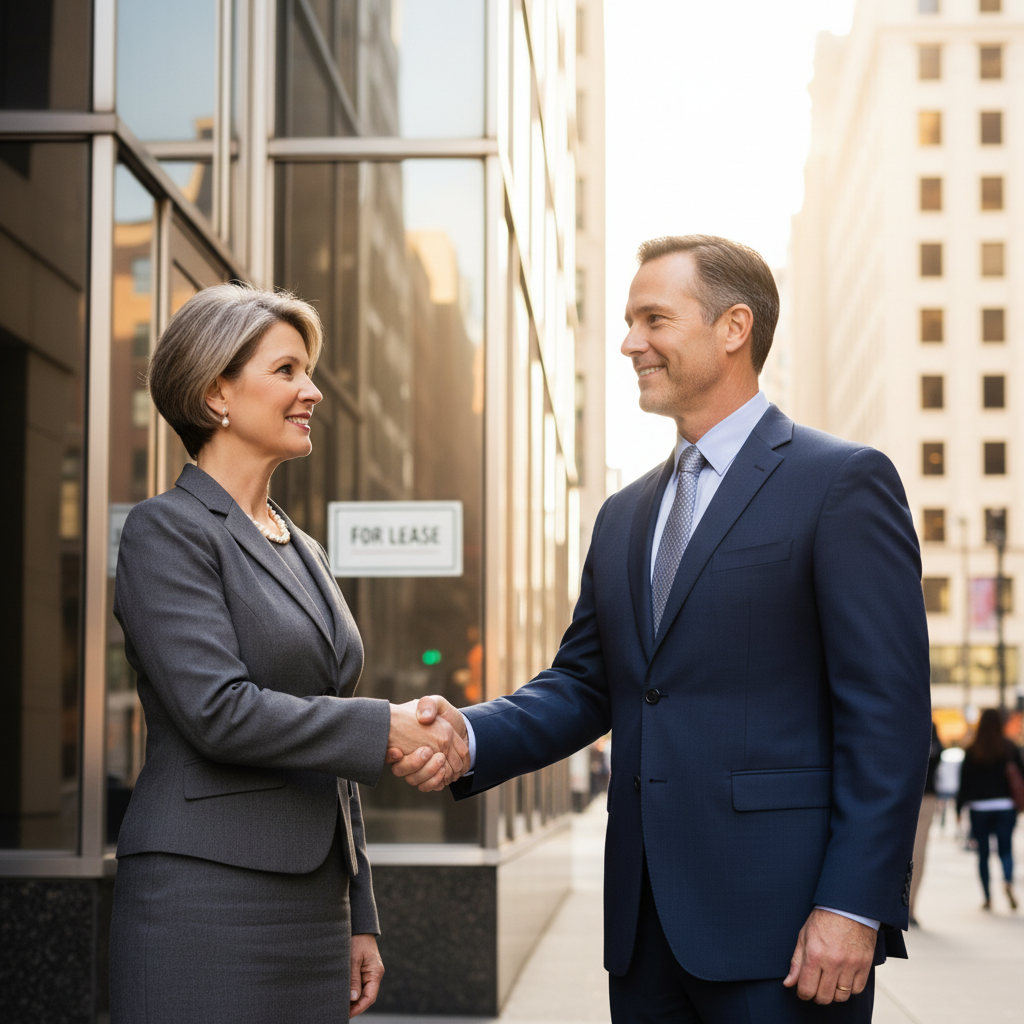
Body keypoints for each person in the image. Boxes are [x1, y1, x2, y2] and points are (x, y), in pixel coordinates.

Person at [393, 236, 932, 1023]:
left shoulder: (841, 482)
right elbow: (585, 684)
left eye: (653, 319)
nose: (629, 343)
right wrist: (468, 736)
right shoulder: (623, 515)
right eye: (627, 322)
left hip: (787, 933)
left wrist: (854, 905)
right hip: (644, 935)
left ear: (733, 327)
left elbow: (887, 716)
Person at [108, 284, 467, 1023]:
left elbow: (329, 737)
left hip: (315, 910)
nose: (313, 391)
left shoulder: (303, 547)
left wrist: (359, 910)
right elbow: (217, 711)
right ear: (216, 394)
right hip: (204, 899)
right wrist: (387, 726)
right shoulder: (166, 531)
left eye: (309, 371)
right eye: (287, 371)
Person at [956, 708, 1023, 911]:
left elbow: (964, 783)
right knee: (1005, 849)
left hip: (979, 808)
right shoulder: (1009, 748)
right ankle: (1008, 882)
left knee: (983, 854)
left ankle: (987, 897)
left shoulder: (972, 749)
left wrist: (958, 810)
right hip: (1005, 806)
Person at [909, 723, 944, 925]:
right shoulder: (929, 725)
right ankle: (909, 906)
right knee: (918, 853)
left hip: (899, 794)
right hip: (925, 794)